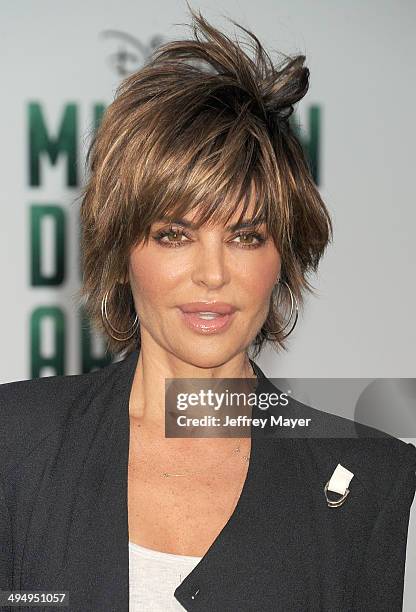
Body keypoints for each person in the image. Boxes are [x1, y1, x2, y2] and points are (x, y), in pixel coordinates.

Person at [1, 7, 415, 612]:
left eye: (247, 236)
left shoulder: (365, 480)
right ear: (122, 247)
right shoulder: (14, 443)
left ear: (285, 256)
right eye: (174, 234)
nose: (214, 274)